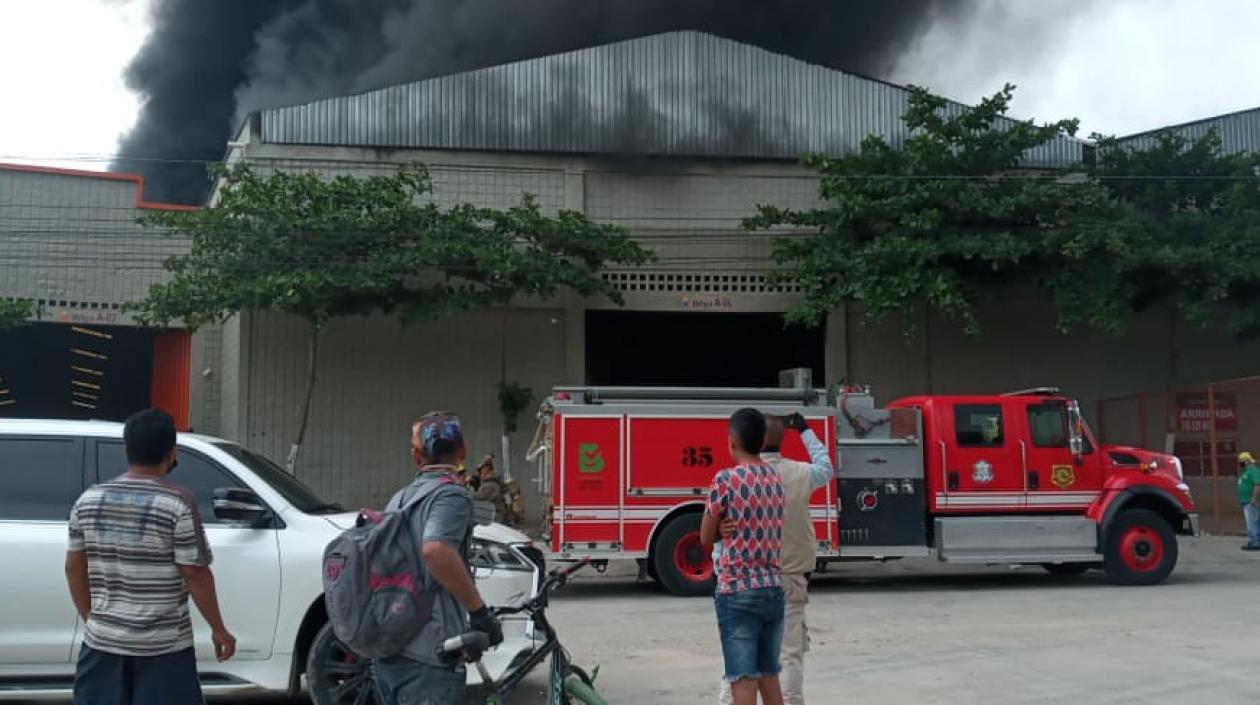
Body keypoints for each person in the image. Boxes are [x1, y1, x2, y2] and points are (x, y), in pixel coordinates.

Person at [65, 408, 235, 705]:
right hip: (163, 649)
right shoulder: (176, 504)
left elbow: (73, 568)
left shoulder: (88, 500)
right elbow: (196, 574)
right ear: (172, 453)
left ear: (127, 450)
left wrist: (93, 620)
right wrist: (219, 630)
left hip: (102, 646)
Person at [373, 412, 504, 705]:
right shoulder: (450, 496)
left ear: (416, 457)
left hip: (392, 649)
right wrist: (479, 612)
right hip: (430, 654)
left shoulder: (400, 499)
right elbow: (436, 550)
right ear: (463, 452)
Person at [718, 412, 834, 705]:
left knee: (738, 662)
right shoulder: (800, 474)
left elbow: (722, 535)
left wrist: (721, 572)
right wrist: (805, 431)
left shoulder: (736, 480)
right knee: (789, 657)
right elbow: (826, 467)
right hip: (792, 580)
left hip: (744, 583)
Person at [701, 408, 787, 705]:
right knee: (770, 677)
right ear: (763, 442)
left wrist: (721, 530)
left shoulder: (725, 480)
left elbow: (704, 537)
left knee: (743, 682)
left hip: (738, 591)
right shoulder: (775, 479)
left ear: (732, 443)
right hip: (773, 589)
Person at [473, 454, 511, 524]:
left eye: (481, 472)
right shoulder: (497, 481)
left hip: (496, 519)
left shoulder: (490, 485)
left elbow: (475, 498)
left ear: (488, 471)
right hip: (500, 516)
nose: (480, 475)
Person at [1238, 451, 1260, 551]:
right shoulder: (1247, 472)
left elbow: (1257, 484)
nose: (1240, 463)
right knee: (1253, 521)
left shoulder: (1253, 471)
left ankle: (1254, 542)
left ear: (1247, 461)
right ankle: (1255, 541)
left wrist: (1253, 499)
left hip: (1250, 502)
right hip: (1246, 502)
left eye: (1241, 461)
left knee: (1252, 522)